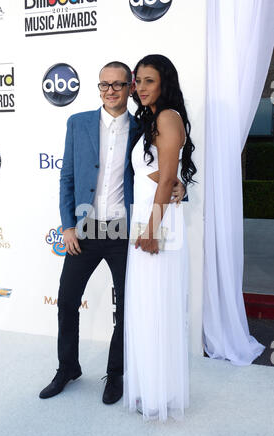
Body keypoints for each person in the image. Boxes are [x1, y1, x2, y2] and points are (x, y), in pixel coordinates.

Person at [39, 61, 186, 403]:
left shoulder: (143, 126)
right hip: (85, 229)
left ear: (130, 88)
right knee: (67, 300)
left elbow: (159, 169)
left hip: (125, 232)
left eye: (118, 84)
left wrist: (180, 186)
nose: (110, 91)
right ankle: (67, 368)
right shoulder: (77, 123)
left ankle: (116, 374)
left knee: (125, 308)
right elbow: (67, 178)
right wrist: (69, 227)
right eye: (103, 85)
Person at [124, 54, 197, 421]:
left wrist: (151, 231)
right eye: (137, 80)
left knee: (156, 309)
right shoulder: (153, 119)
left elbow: (167, 178)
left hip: (157, 224)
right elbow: (160, 176)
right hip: (150, 216)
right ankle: (153, 390)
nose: (140, 87)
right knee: (148, 308)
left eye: (149, 80)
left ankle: (157, 396)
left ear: (165, 82)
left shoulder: (168, 117)